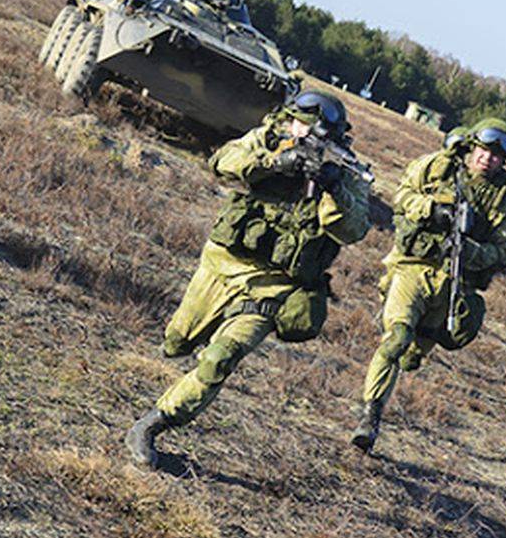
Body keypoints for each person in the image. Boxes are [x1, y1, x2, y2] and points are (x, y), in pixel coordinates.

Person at [126, 91, 373, 468]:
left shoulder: (345, 171)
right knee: (177, 340)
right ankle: (178, 348)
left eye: (320, 135)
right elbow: (222, 162)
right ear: (290, 120)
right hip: (223, 263)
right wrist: (277, 162)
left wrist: (333, 189)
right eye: (303, 127)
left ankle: (154, 424)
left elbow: (355, 229)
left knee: (219, 360)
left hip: (274, 285)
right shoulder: (268, 138)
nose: (309, 137)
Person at [351, 118, 506, 452]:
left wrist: (471, 249)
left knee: (412, 355)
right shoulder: (438, 166)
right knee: (396, 339)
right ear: (472, 145)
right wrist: (434, 209)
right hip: (412, 267)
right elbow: (402, 197)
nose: (487, 159)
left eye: (495, 155)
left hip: (454, 282)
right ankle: (369, 418)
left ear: (504, 160)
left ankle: (415, 351)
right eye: (483, 150)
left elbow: (505, 251)